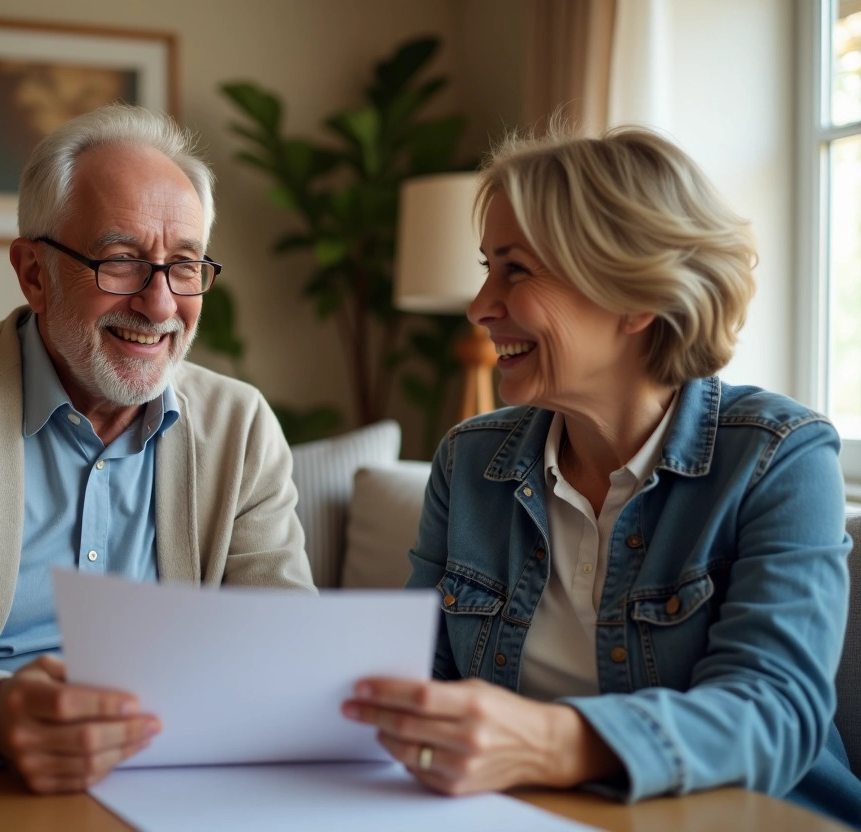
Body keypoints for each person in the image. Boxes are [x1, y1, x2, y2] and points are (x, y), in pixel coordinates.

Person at [341, 125, 861, 826]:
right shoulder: (469, 460)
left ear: (633, 296)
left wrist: (553, 742)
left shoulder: (780, 456)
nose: (479, 306)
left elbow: (774, 715)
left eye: (515, 270)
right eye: (486, 267)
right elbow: (412, 677)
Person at [0, 104, 315, 794]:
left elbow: (288, 646)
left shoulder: (241, 424)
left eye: (184, 266)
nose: (160, 305)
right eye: (122, 261)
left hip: (178, 780)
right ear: (34, 273)